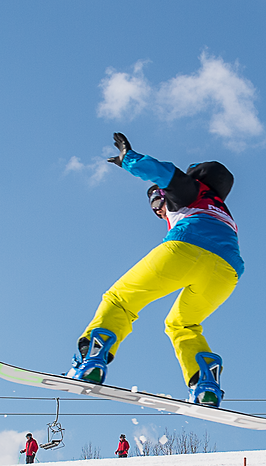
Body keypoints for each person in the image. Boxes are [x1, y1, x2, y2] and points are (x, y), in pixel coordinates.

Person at [71, 132, 241, 407]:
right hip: (226, 272)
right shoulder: (221, 209)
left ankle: (91, 361)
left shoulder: (192, 191)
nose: (158, 211)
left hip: (186, 250)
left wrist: (130, 160)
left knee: (120, 300)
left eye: (158, 202)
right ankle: (205, 384)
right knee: (183, 324)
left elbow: (166, 174)